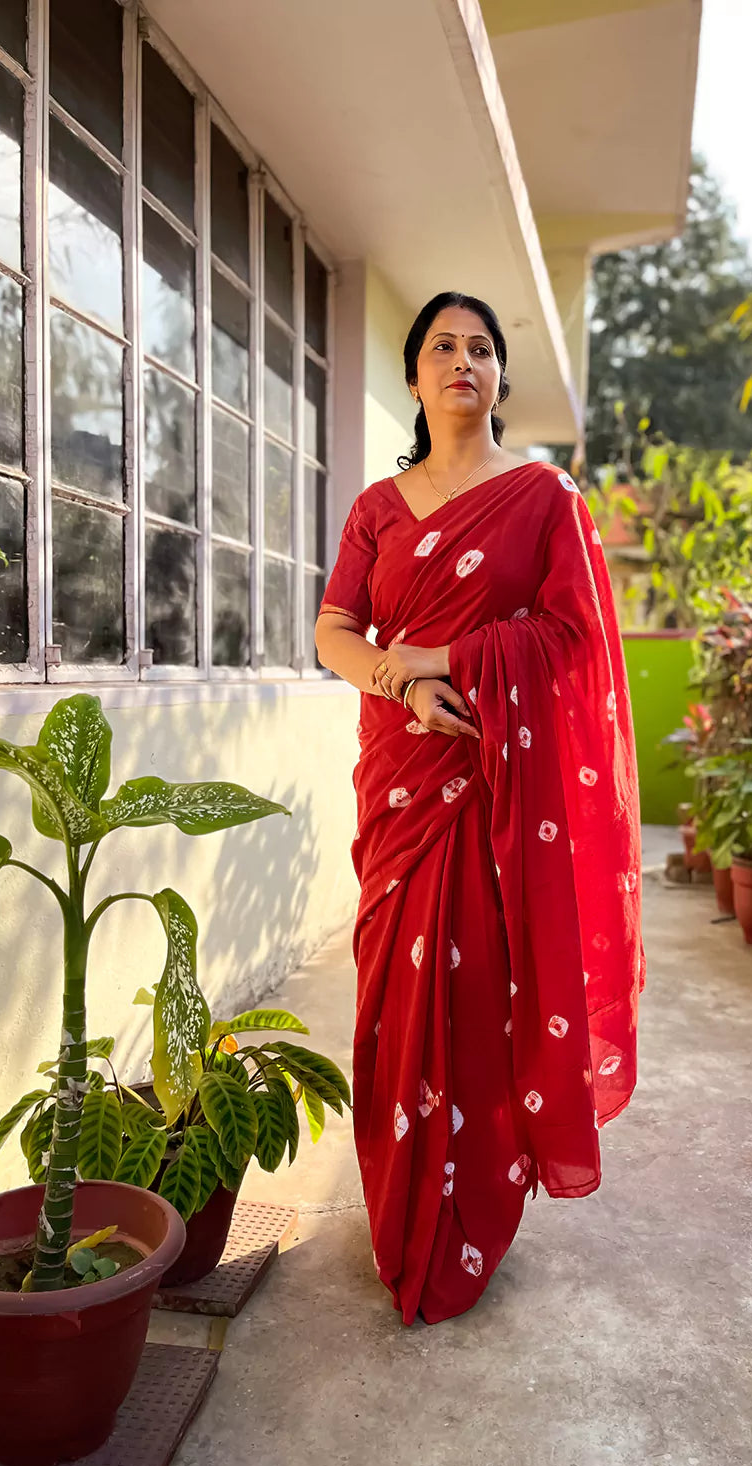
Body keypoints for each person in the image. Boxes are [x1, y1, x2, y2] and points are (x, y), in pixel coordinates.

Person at [314, 291, 644, 1325]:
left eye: (483, 349)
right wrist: (402, 683)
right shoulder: (376, 507)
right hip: (401, 782)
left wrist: (449, 656)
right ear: (414, 375)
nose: (464, 360)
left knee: (479, 1003)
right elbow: (334, 633)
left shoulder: (543, 498)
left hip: (497, 797)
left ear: (501, 377)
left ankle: (472, 1217)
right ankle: (401, 1211)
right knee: (389, 1005)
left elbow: (573, 639)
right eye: (443, 347)